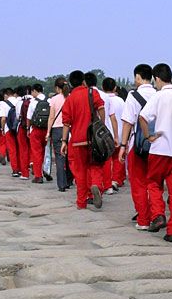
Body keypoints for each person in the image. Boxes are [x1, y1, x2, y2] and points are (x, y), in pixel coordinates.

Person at [139, 63, 172, 242]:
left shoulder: (158, 96)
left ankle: (158, 214)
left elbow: (143, 117)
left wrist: (148, 136)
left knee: (154, 184)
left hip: (159, 148)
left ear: (157, 78)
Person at [60, 70, 107, 209]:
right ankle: (96, 186)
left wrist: (63, 141)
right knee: (96, 166)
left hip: (76, 140)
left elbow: (66, 123)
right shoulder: (92, 93)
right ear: (83, 81)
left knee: (80, 171)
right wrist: (101, 126)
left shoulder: (69, 99)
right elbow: (101, 108)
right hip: (93, 138)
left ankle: (81, 202)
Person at [119, 64, 157, 229]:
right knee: (154, 183)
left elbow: (127, 122)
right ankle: (156, 215)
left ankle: (144, 220)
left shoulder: (133, 96)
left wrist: (122, 144)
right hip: (157, 145)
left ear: (138, 77)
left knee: (139, 182)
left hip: (138, 145)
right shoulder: (158, 94)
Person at [47, 77, 71, 191]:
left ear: (57, 88)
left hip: (57, 129)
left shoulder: (54, 99)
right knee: (70, 157)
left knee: (59, 157)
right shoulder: (71, 98)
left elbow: (51, 117)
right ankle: (69, 181)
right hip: (70, 129)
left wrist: (48, 131)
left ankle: (61, 184)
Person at [102, 77, 126, 193]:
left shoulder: (103, 99)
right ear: (115, 87)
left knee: (107, 159)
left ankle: (108, 181)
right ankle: (117, 179)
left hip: (106, 134)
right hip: (120, 133)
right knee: (118, 158)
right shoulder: (121, 101)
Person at [27, 84, 50, 183]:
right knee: (45, 152)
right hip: (46, 130)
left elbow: (29, 118)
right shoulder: (49, 100)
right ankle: (46, 170)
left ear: (35, 91)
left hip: (36, 129)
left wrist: (28, 129)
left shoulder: (32, 102)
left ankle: (38, 175)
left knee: (36, 153)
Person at [0, 88, 22, 176]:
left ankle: (15, 170)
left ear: (6, 94)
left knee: (12, 150)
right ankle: (21, 168)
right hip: (18, 128)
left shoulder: (3, 104)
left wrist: (2, 129)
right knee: (20, 149)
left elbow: (3, 119)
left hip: (8, 129)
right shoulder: (19, 101)